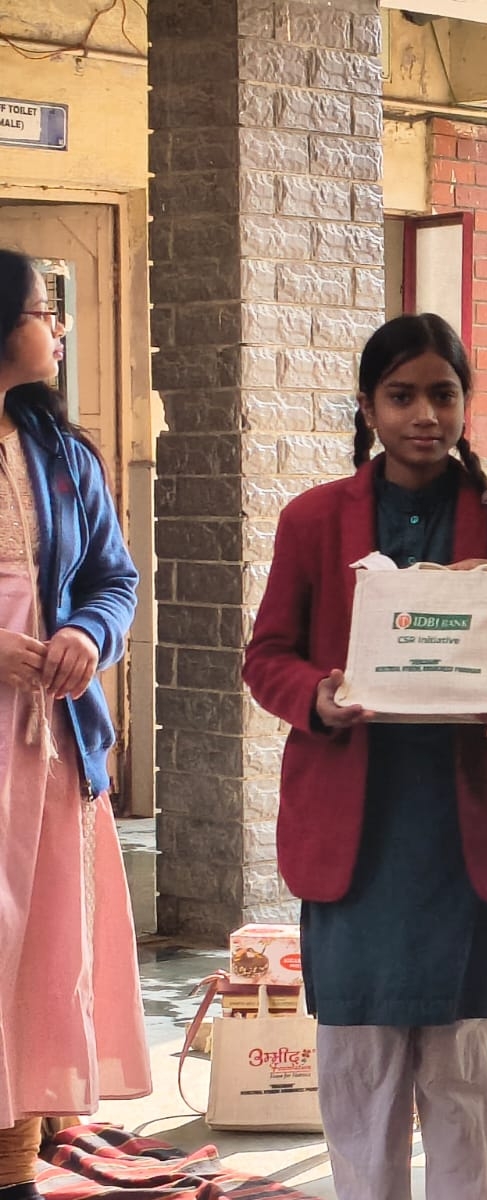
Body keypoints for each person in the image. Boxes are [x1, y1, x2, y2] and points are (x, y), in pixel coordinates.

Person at [241, 314, 487, 1200]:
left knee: (465, 1079)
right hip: (357, 838)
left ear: (466, 402)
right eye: (402, 396)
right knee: (362, 1077)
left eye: (443, 395)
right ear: (369, 406)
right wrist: (319, 697)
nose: (425, 415)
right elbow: (267, 657)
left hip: (463, 832)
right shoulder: (312, 521)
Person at [0, 249, 148, 1200]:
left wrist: (89, 636)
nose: (57, 328)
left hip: (49, 742)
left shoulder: (63, 455)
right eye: (41, 310)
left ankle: (13, 1159)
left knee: (41, 948)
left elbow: (113, 580)